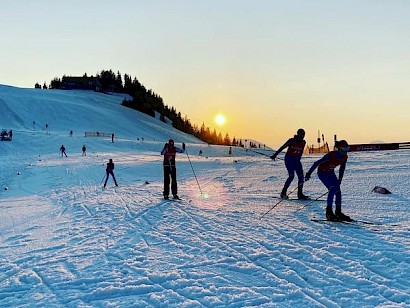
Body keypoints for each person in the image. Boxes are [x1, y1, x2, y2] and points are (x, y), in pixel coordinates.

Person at [304, 140, 352, 221]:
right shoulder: (331, 155)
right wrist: (309, 173)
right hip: (322, 173)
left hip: (330, 172)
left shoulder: (344, 157)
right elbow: (317, 163)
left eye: (347, 149)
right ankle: (329, 212)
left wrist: (340, 179)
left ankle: (338, 212)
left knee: (338, 191)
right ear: (340, 149)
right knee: (332, 189)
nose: (346, 152)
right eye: (345, 149)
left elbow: (342, 168)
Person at [271, 128, 308, 199]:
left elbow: (301, 151)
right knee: (291, 176)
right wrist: (275, 154)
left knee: (301, 177)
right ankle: (283, 192)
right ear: (298, 134)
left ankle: (300, 194)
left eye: (304, 134)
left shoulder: (303, 142)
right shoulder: (292, 140)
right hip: (289, 160)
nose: (303, 136)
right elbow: (283, 147)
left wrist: (298, 159)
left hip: (297, 161)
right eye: (302, 134)